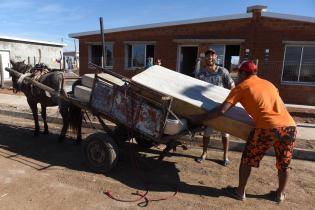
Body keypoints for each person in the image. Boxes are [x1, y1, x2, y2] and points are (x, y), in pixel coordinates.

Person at [194, 60, 296, 203]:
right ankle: (280, 194)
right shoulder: (269, 84)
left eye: (238, 73)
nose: (237, 76)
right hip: (290, 127)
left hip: (267, 128)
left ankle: (240, 192)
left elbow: (221, 110)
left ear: (243, 73)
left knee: (247, 160)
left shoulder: (241, 87)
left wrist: (199, 118)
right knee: (284, 163)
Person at [195, 49, 235, 166]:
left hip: (222, 108)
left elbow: (233, 88)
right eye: (207, 56)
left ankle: (225, 156)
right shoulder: (201, 74)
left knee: (225, 133)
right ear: (205, 59)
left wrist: (229, 103)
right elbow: (196, 90)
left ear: (216, 57)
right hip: (207, 108)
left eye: (212, 56)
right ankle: (204, 153)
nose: (210, 58)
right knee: (207, 132)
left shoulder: (223, 72)